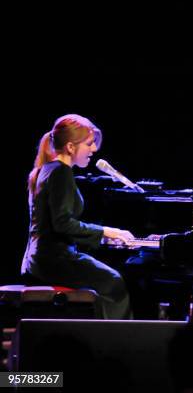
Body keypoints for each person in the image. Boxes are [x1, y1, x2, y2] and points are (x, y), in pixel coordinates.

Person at [22, 114, 135, 319]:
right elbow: (63, 224)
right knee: (114, 283)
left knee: (108, 279)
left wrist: (102, 236)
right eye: (89, 144)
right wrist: (106, 231)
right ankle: (115, 343)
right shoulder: (61, 172)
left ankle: (95, 331)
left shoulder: (45, 169)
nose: (94, 149)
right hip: (54, 260)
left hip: (39, 259)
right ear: (71, 147)